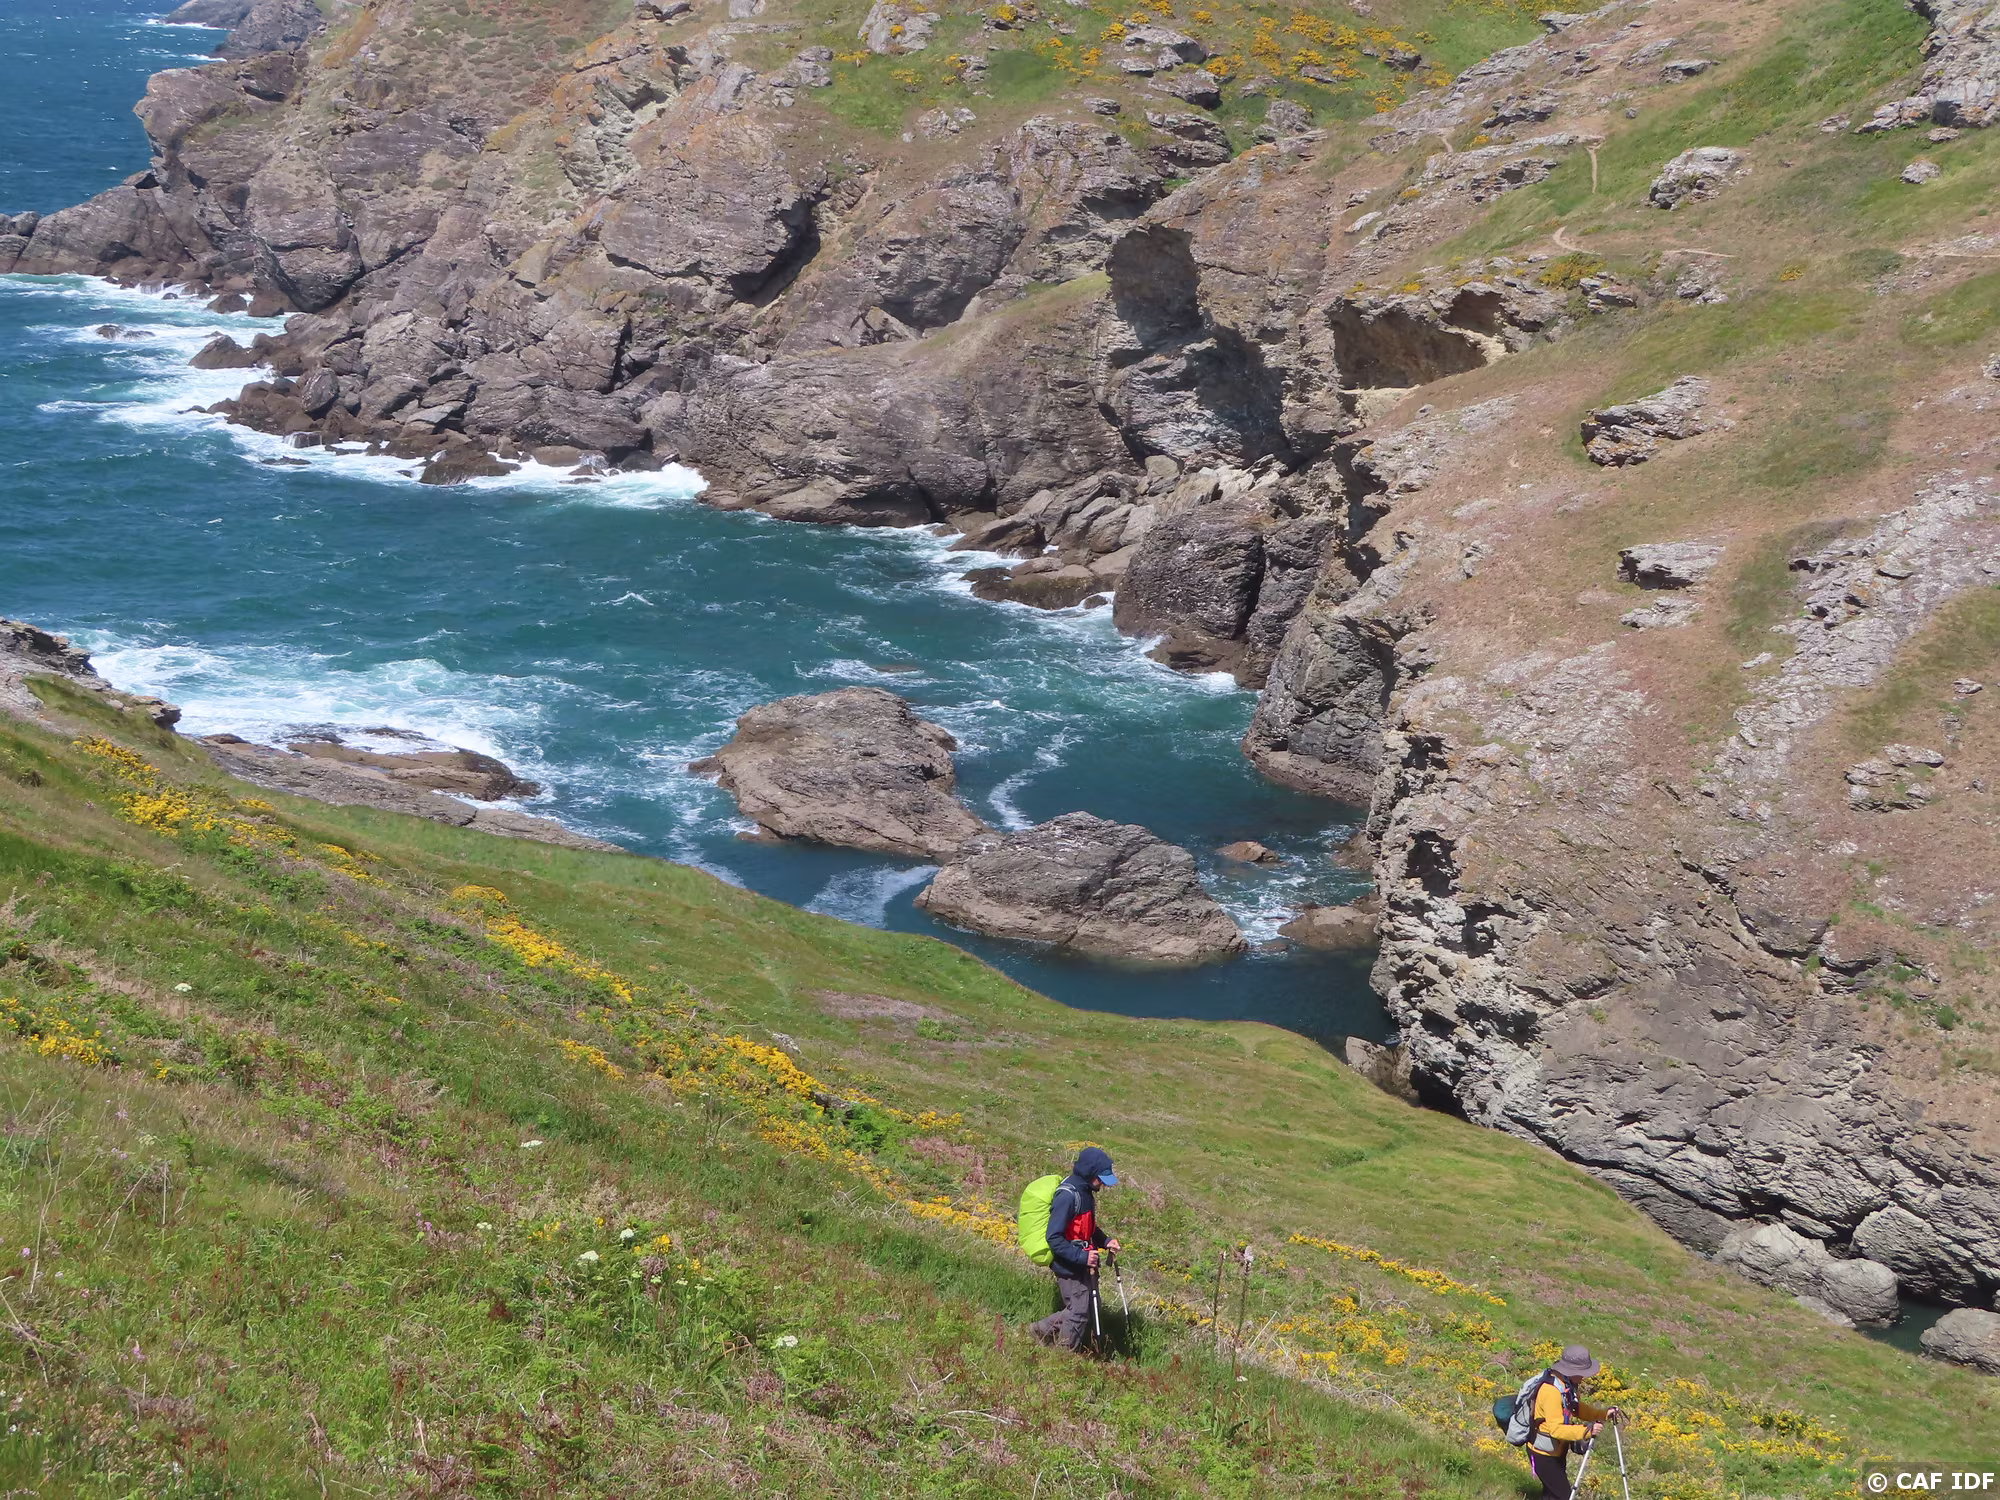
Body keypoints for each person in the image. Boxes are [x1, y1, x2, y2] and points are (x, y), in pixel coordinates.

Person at [1029, 1146, 1121, 1351]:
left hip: (1083, 1262)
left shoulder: (1086, 1193)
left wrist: (1105, 1241)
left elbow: (1087, 1228)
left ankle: (1040, 1330)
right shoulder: (1067, 1196)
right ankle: (1063, 1355)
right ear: (1089, 1173)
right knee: (1078, 1312)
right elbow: (1054, 1238)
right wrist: (1082, 1257)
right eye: (1101, 1178)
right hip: (1068, 1265)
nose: (1103, 1184)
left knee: (1086, 1308)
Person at [1525, 1344, 1623, 1500]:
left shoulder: (1567, 1385)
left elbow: (1576, 1408)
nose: (1584, 1377)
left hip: (1557, 1449)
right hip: (1543, 1454)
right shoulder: (1551, 1391)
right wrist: (1586, 1431)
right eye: (1582, 1373)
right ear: (1571, 1370)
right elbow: (1555, 1430)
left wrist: (1603, 1414)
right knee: (1564, 1496)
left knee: (1552, 1495)